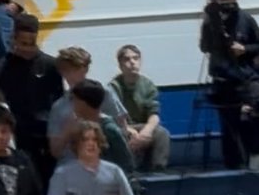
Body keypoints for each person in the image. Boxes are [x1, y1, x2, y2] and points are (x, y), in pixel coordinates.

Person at [199, 0, 259, 170]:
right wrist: (211, 19)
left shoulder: (246, 18)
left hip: (245, 79)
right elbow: (204, 47)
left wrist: (244, 49)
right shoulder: (211, 18)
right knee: (230, 125)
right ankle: (233, 166)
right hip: (223, 81)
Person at [0, 13, 63, 187]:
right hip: (18, 137)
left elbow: (59, 101)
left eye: (32, 43)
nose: (28, 49)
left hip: (46, 136)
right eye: (23, 43)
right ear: (13, 39)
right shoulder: (1, 68)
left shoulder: (50, 65)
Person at [47, 46, 128, 161]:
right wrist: (67, 131)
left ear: (86, 69)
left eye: (76, 69)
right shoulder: (59, 107)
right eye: (65, 70)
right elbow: (55, 151)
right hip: (71, 166)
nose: (70, 74)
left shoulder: (103, 93)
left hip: (105, 162)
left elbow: (122, 127)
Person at [109, 44, 170, 172]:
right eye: (127, 59)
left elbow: (154, 114)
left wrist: (147, 131)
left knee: (162, 133)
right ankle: (128, 172)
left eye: (136, 58)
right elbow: (114, 116)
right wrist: (129, 131)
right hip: (122, 127)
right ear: (120, 65)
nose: (132, 62)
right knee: (118, 135)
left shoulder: (147, 84)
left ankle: (158, 171)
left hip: (142, 126)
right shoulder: (113, 87)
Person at [67, 79, 134, 175]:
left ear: (83, 103)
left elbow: (126, 164)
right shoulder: (79, 127)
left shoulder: (109, 130)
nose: (72, 104)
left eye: (74, 99)